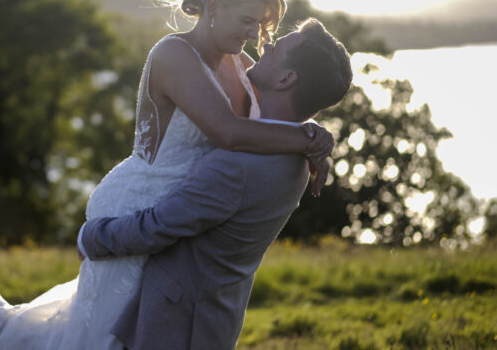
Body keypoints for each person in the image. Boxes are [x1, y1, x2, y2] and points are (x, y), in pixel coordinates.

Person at [0, 0, 333, 349]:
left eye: (259, 23)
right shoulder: (174, 55)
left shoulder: (240, 62)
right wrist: (307, 139)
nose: (255, 33)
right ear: (214, 8)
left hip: (182, 213)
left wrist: (311, 143)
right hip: (140, 203)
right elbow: (228, 132)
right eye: (248, 20)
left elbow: (266, 123)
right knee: (102, 337)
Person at [78, 18, 353, 350]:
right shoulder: (297, 157)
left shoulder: (238, 164)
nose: (265, 44)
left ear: (286, 78)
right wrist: (311, 133)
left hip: (176, 324)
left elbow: (156, 227)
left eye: (277, 48)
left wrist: (90, 236)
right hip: (216, 317)